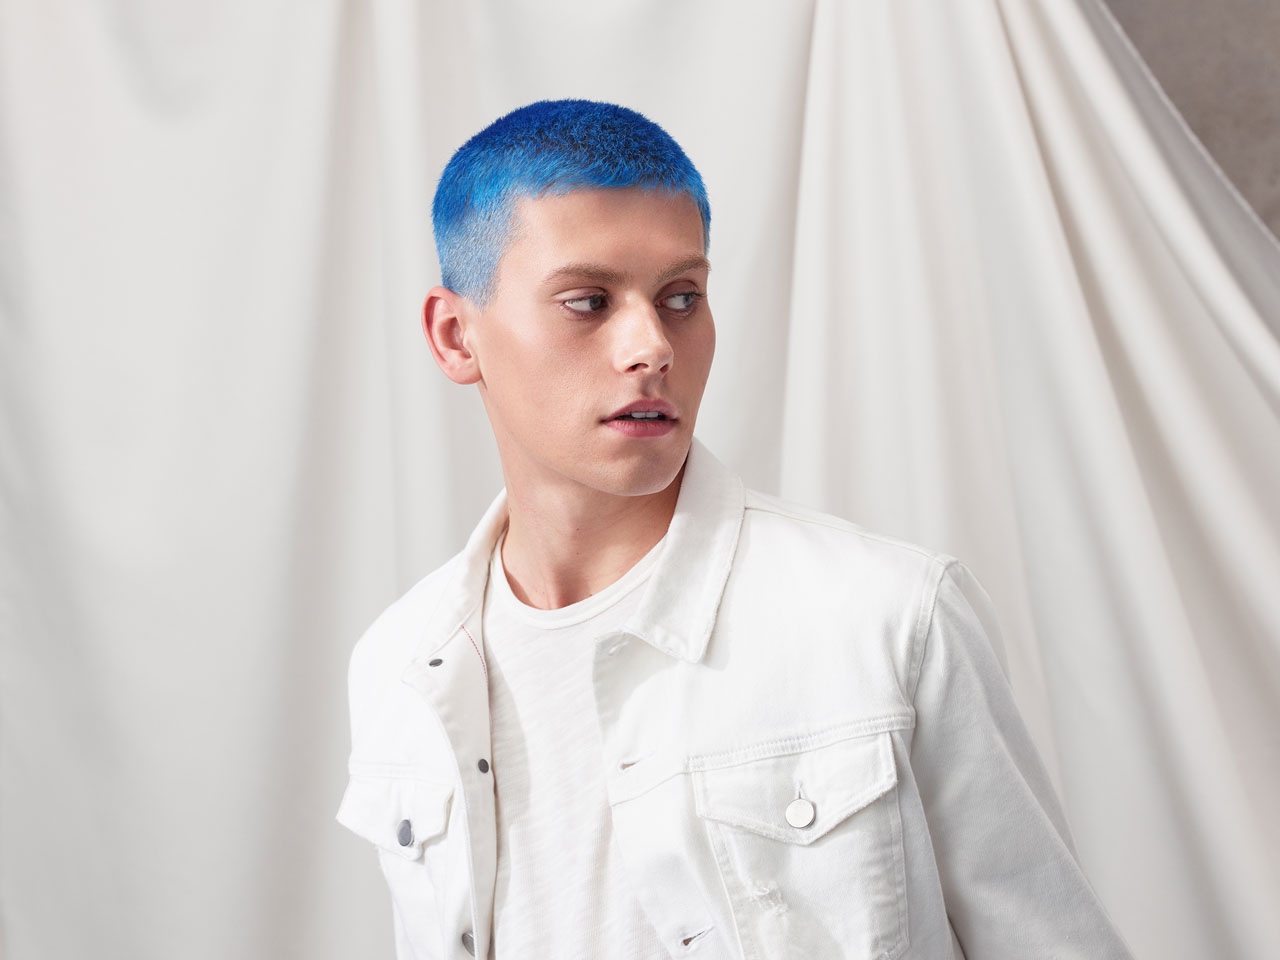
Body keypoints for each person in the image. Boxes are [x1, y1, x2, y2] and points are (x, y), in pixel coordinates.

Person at [336, 98, 1133, 960]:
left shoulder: (891, 620)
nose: (651, 346)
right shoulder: (400, 664)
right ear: (456, 336)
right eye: (588, 301)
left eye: (681, 297)